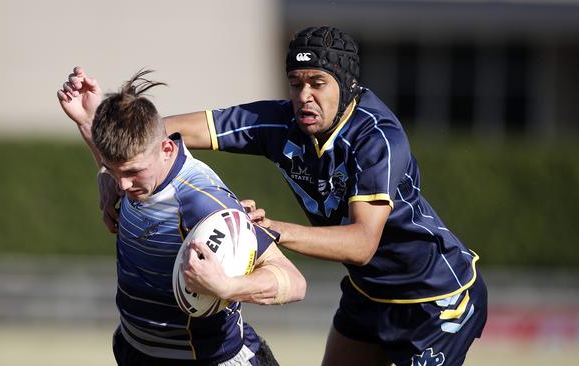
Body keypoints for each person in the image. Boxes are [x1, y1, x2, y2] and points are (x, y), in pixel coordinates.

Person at [61, 25, 487, 366]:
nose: (304, 97)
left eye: (318, 83)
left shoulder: (377, 137)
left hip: (434, 298)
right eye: (296, 83)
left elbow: (362, 244)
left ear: (348, 85)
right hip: (368, 293)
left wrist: (271, 231)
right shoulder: (279, 122)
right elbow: (151, 138)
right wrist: (101, 130)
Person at [56, 70, 306, 366]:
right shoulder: (136, 174)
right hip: (136, 351)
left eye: (132, 173)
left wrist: (227, 287)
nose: (122, 185)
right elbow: (123, 164)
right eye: (114, 172)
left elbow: (294, 281)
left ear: (166, 148)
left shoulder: (202, 202)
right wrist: (88, 123)